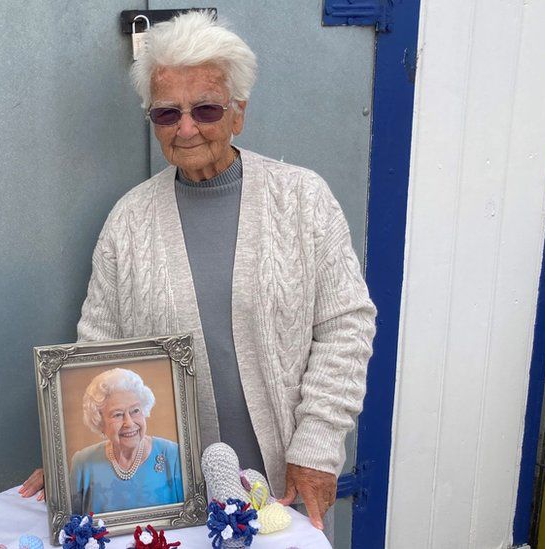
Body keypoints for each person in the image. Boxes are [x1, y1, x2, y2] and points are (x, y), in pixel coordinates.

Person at [21, 11, 376, 532]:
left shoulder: (302, 199)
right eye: (167, 114)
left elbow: (346, 325)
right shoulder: (129, 221)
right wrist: (73, 455)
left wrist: (319, 443)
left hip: (280, 486)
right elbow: (98, 353)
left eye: (205, 109)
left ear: (239, 113)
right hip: (163, 492)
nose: (186, 128)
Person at [68, 368, 183, 514]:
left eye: (135, 411)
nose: (129, 423)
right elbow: (70, 524)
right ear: (99, 422)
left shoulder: (174, 456)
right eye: (117, 415)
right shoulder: (83, 462)